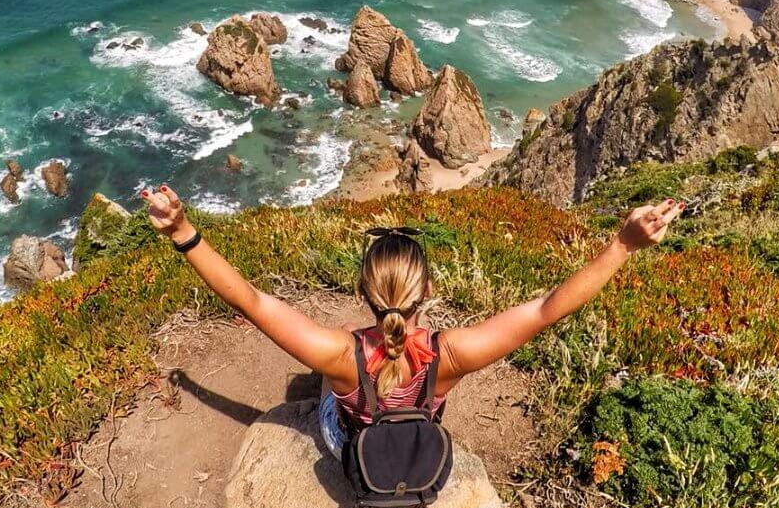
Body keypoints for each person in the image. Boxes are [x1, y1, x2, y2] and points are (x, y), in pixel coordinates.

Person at [139, 183, 684, 454]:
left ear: (363, 292)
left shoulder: (338, 353)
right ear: (429, 291)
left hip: (351, 446)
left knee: (320, 383)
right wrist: (623, 245)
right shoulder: (452, 354)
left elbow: (250, 302)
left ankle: (341, 413)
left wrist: (181, 231)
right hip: (419, 435)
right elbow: (547, 309)